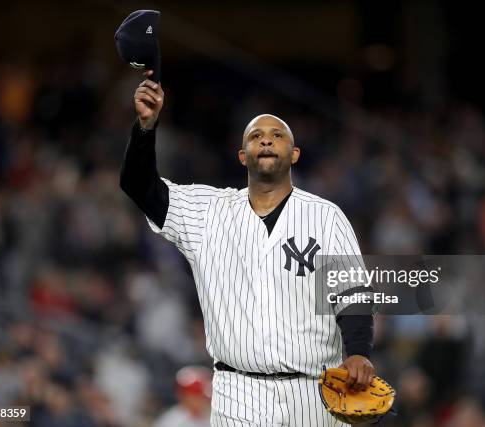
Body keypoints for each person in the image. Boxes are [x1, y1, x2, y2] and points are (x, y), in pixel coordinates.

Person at [120, 70, 374, 426]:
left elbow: (352, 292)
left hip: (315, 393)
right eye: (256, 136)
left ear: (295, 153)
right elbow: (139, 185)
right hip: (237, 391)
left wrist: (359, 352)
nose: (266, 141)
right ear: (242, 156)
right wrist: (145, 128)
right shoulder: (208, 211)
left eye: (277, 136)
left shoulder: (326, 217)